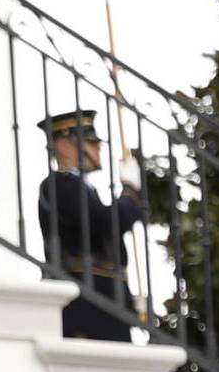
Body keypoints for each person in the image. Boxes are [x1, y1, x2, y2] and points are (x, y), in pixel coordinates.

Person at [35, 110, 142, 343]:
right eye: (91, 143)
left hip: (104, 302)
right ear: (64, 146)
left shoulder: (83, 188)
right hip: (86, 305)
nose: (98, 148)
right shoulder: (60, 184)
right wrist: (130, 192)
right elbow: (106, 223)